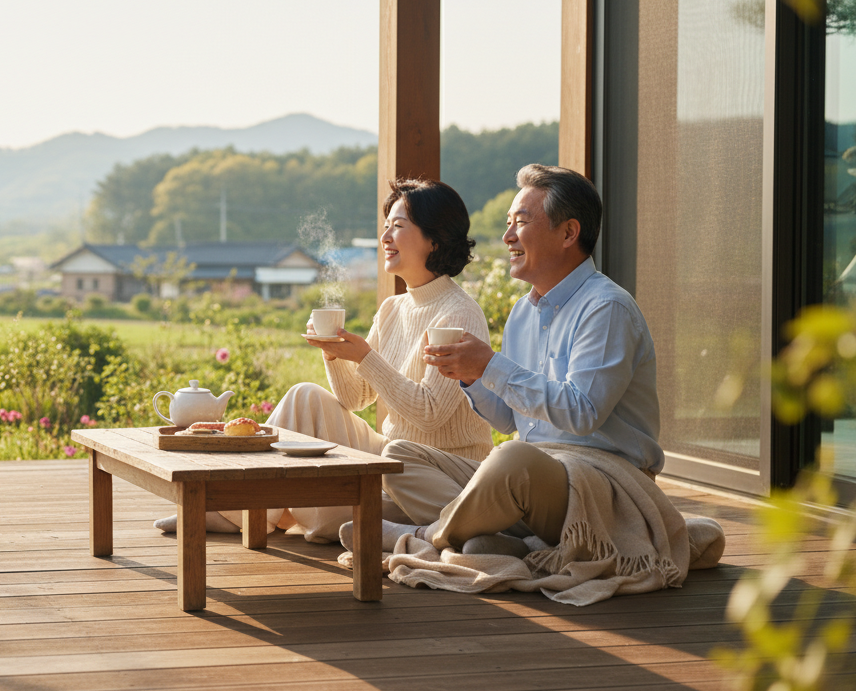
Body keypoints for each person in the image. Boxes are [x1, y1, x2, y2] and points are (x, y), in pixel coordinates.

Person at [366, 163, 679, 560]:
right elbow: (511, 420)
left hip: (598, 481)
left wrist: (492, 365)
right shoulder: (523, 312)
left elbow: (581, 413)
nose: (506, 236)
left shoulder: (607, 308)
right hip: (534, 478)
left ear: (569, 232)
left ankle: (428, 536)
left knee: (511, 457)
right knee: (399, 456)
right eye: (507, 222)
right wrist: (473, 376)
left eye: (520, 222)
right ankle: (509, 540)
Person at [155, 177, 494, 542]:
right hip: (391, 455)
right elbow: (356, 398)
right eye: (385, 228)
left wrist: (364, 355)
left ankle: (247, 512)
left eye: (398, 227)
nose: (385, 238)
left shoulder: (458, 314)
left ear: (435, 238)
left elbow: (429, 415)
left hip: (435, 475)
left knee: (346, 505)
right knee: (305, 395)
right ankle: (240, 509)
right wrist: (334, 353)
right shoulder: (394, 308)